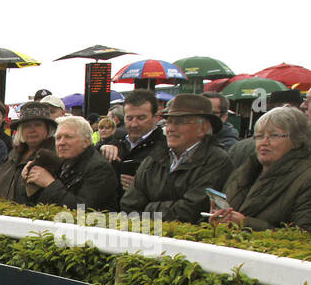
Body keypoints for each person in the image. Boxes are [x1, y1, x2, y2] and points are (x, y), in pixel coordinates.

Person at [121, 93, 233, 224]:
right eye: (169, 122)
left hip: (188, 241)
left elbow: (190, 211)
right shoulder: (155, 157)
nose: (170, 129)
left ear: (203, 128)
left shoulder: (217, 160)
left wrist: (147, 208)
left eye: (180, 122)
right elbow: (128, 205)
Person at [210, 106, 311, 232]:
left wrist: (245, 223)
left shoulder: (306, 179)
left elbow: (303, 236)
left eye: (273, 135)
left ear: (297, 139)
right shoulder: (244, 171)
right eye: (259, 136)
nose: (264, 142)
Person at [22, 115, 119, 210]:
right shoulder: (61, 163)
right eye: (58, 138)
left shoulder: (100, 168)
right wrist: (31, 181)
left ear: (86, 141)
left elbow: (83, 209)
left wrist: (49, 183)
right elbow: (37, 205)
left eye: (68, 137)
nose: (61, 143)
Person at [99, 89, 166, 195]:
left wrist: (141, 188)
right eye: (129, 118)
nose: (134, 124)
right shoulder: (116, 143)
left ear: (155, 118)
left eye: (141, 118)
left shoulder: (165, 149)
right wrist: (100, 149)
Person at [0, 101, 55, 203]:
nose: (32, 130)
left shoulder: (55, 157)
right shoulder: (11, 156)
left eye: (38, 125)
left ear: (48, 129)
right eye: (27, 126)